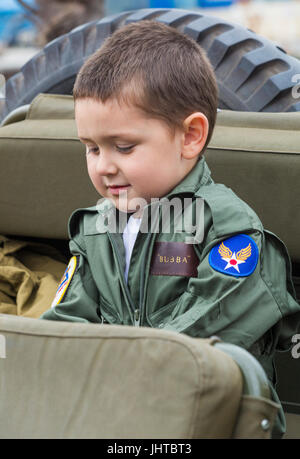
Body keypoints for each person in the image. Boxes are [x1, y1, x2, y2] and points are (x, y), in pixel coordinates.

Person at [41, 20, 300, 438]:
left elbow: (199, 343)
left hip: (212, 419)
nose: (104, 165)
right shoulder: (95, 227)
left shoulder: (227, 230)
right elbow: (65, 324)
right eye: (91, 148)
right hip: (117, 411)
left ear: (191, 136)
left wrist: (103, 375)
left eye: (123, 146)